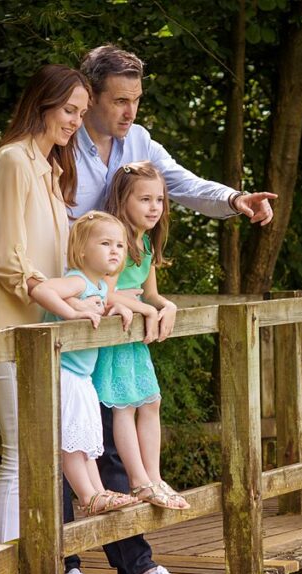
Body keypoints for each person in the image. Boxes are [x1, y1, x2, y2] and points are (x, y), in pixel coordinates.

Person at [62, 44, 277, 574]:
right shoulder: (62, 145)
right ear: (89, 100)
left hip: (115, 316)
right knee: (70, 438)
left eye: (136, 100)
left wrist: (234, 198)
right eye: (118, 100)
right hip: (68, 308)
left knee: (103, 438)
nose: (129, 112)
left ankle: (134, 570)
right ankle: (64, 567)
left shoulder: (138, 143)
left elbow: (180, 183)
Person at [0, 64, 98, 574]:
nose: (75, 122)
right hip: (11, 326)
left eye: (81, 114)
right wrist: (61, 300)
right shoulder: (13, 161)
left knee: (41, 459)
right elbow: (5, 261)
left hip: (43, 332)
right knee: (21, 459)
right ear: (41, 104)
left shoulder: (47, 168)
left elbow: (56, 258)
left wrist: (90, 295)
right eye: (69, 110)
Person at [29, 211, 141, 516]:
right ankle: (87, 495)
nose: (115, 250)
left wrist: (117, 306)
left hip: (83, 376)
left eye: (119, 245)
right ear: (81, 251)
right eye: (106, 243)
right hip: (65, 373)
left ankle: (98, 492)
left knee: (86, 441)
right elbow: (41, 290)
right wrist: (72, 313)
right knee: (72, 443)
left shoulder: (100, 286)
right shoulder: (77, 281)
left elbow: (103, 305)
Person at [97, 162, 190, 510]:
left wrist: (167, 307)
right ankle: (138, 481)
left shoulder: (146, 244)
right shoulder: (114, 241)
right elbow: (102, 294)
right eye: (145, 199)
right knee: (124, 407)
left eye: (160, 200)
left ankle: (154, 475)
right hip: (115, 335)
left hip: (134, 339)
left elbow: (150, 293)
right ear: (123, 201)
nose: (154, 208)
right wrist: (145, 310)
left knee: (151, 402)